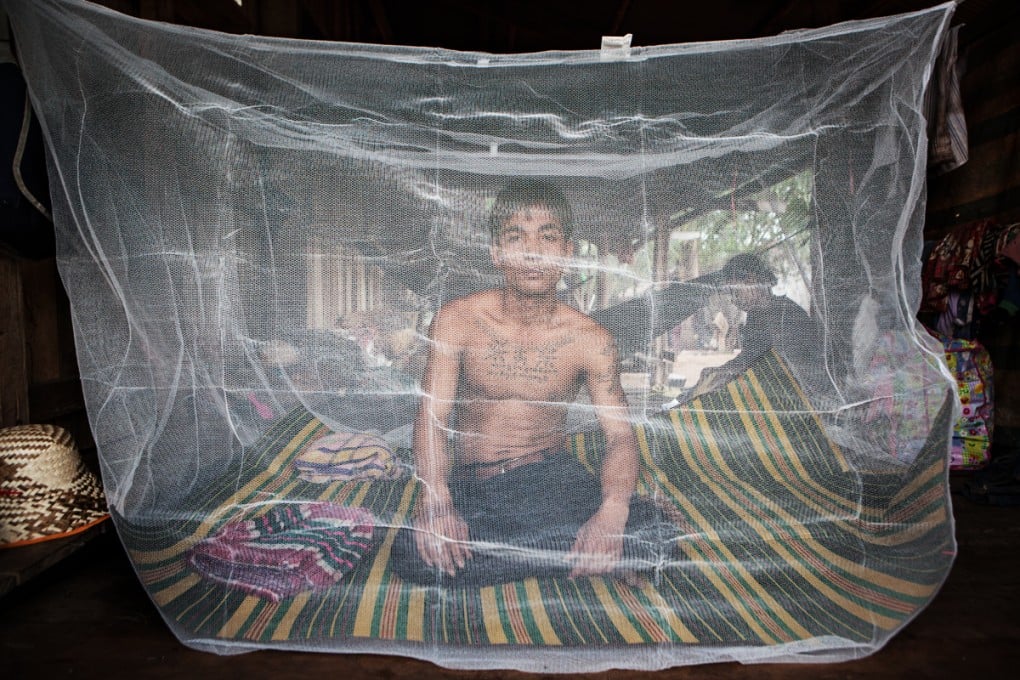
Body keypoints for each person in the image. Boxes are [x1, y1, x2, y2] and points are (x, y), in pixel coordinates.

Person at [390, 179, 669, 587]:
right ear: (497, 252)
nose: (533, 252)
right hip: (474, 487)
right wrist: (436, 500)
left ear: (568, 252)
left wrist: (612, 510)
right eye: (516, 237)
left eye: (548, 237)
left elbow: (620, 438)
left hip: (551, 482)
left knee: (657, 536)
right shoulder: (458, 320)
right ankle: (579, 556)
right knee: (412, 556)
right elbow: (432, 416)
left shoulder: (590, 340)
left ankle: (564, 547)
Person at [690, 253, 820, 397]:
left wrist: (727, 372)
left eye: (735, 291)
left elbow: (774, 367)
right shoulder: (757, 315)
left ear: (752, 281)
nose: (733, 300)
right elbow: (750, 356)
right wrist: (721, 370)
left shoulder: (785, 314)